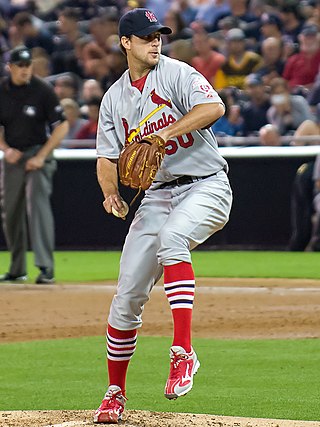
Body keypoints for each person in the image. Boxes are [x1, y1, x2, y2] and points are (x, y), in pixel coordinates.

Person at [94, 8, 232, 424]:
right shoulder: (114, 98)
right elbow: (106, 156)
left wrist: (163, 133)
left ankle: (184, 352)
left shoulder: (178, 74)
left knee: (173, 238)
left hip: (206, 184)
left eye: (159, 36)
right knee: (127, 297)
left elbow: (215, 108)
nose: (156, 42)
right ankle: (115, 392)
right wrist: (110, 192)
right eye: (147, 37)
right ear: (126, 43)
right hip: (156, 196)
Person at [0, 46, 68, 284]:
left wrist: (42, 156)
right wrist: (6, 149)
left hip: (38, 154)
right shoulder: (2, 90)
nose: (25, 70)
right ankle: (17, 269)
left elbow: (62, 125)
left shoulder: (42, 90)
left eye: (28, 65)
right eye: (20, 65)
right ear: (10, 67)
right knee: (10, 212)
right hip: (14, 157)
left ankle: (45, 268)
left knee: (36, 206)